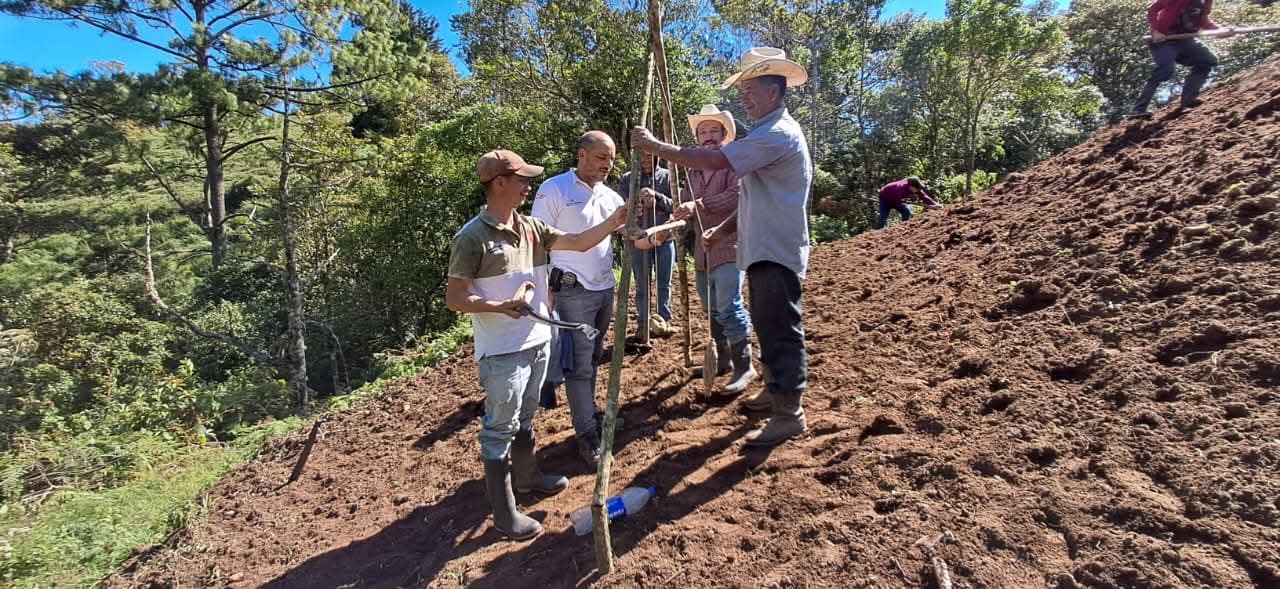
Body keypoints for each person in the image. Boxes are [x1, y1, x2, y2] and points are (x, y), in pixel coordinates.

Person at [632, 47, 812, 447]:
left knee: (780, 329)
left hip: (775, 248)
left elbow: (717, 165)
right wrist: (709, 225)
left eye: (751, 90)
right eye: (742, 91)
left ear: (774, 90)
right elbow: (745, 199)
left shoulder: (777, 134)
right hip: (761, 247)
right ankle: (775, 390)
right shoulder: (765, 134)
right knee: (767, 324)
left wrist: (658, 147)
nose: (744, 98)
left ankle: (790, 412)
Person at [446, 149, 628, 541]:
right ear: (499, 183)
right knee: (499, 427)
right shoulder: (472, 237)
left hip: (538, 340)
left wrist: (616, 220)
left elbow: (578, 242)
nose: (529, 186)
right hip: (502, 350)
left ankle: (527, 479)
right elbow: (455, 298)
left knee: (526, 414)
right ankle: (504, 514)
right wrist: (499, 306)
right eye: (522, 179)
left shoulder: (532, 228)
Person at [532, 131, 627, 467]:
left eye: (611, 159)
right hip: (571, 290)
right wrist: (542, 290)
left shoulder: (610, 197)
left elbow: (629, 234)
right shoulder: (555, 189)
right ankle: (587, 435)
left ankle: (590, 417)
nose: (607, 165)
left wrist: (658, 232)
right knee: (578, 364)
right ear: (582, 155)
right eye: (601, 157)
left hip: (604, 288)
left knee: (592, 358)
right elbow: (537, 241)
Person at [672, 104, 756, 395]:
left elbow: (737, 195)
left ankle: (745, 366)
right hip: (702, 252)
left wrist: (698, 205)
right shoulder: (693, 172)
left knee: (729, 306)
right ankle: (723, 361)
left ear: (723, 135)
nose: (708, 136)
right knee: (711, 307)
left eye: (713, 131)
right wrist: (666, 208)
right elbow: (682, 204)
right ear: (697, 138)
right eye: (703, 132)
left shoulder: (733, 165)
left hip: (729, 246)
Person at [1131, 0, 1232, 118]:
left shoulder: (1206, 1)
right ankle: (1138, 109)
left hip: (1185, 41)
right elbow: (1153, 9)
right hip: (1164, 41)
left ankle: (1188, 99)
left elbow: (1203, 21)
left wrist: (1219, 30)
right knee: (1165, 70)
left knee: (1207, 60)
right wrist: (1155, 31)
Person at [618, 155, 676, 339]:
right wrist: (636, 201)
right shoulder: (628, 179)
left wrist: (657, 198)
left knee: (664, 283)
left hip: (664, 238)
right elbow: (620, 208)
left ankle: (663, 321)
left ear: (656, 156)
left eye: (649, 156)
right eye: (641, 156)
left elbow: (677, 206)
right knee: (642, 285)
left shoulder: (668, 176)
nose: (645, 160)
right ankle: (643, 324)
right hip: (638, 241)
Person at [875, 177, 941, 230]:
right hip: (885, 199)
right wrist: (929, 207)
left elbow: (924, 196)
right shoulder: (899, 188)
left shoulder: (915, 188)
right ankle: (877, 231)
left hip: (897, 199)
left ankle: (903, 227)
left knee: (906, 213)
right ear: (910, 186)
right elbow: (898, 201)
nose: (918, 190)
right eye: (916, 189)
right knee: (883, 218)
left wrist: (934, 204)